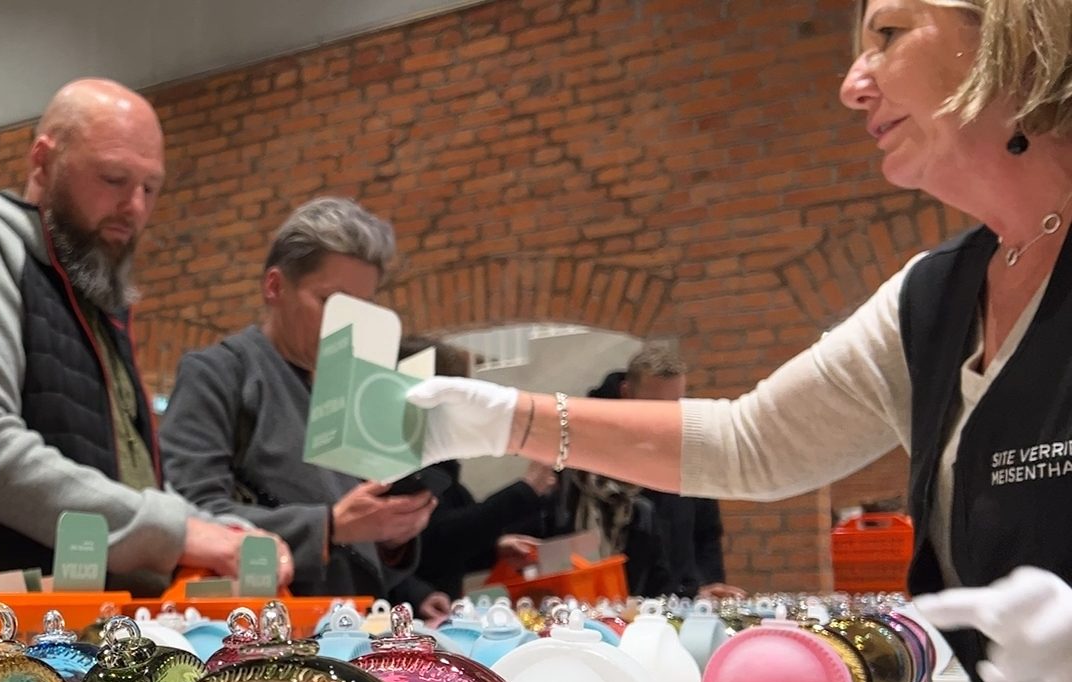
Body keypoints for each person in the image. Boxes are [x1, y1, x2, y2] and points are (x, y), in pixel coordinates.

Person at [405, 0, 1072, 682]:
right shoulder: (936, 297)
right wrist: (505, 419)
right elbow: (752, 439)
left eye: (888, 35)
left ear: (1014, 26)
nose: (853, 82)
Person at [0, 78, 292, 592]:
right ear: (43, 161)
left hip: (93, 623)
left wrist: (220, 531)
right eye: (114, 178)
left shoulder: (89, 294)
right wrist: (176, 532)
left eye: (150, 188)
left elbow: (132, 485)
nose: (135, 207)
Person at [161, 197, 433, 603]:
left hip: (354, 625)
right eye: (331, 303)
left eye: (363, 308)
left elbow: (360, 545)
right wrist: (329, 527)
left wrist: (392, 533)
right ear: (275, 287)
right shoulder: (218, 374)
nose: (348, 325)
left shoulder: (351, 389)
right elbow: (192, 514)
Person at [542, 345, 739, 600]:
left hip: (681, 599)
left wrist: (706, 585)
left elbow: (706, 531)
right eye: (654, 405)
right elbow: (560, 528)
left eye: (675, 406)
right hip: (598, 599)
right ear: (626, 393)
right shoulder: (582, 443)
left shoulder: (689, 444)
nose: (665, 419)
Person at [393, 336, 555, 614]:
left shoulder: (439, 465)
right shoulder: (400, 464)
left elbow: (449, 549)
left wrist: (494, 549)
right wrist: (525, 491)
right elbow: (435, 540)